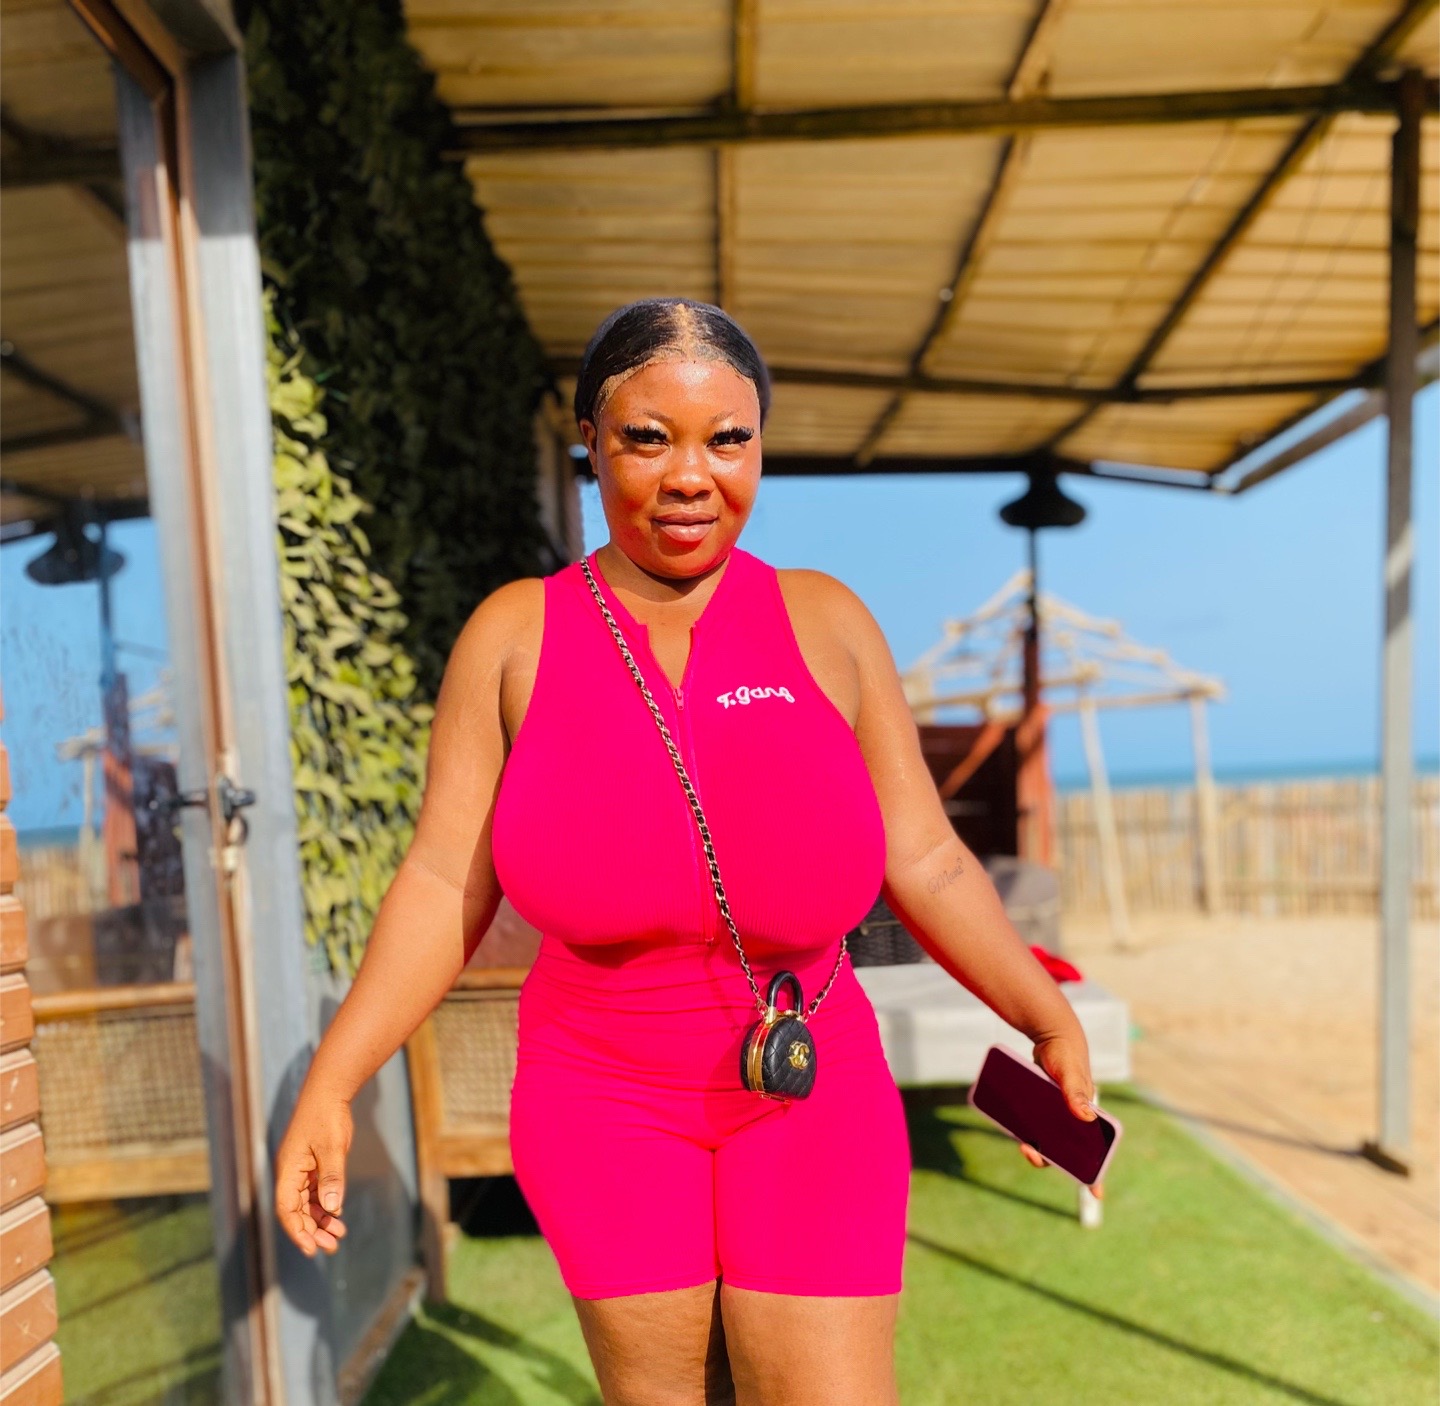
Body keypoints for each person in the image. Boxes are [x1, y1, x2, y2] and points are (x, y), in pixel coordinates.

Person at [274, 297, 1103, 1406]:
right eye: (648, 438)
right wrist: (333, 1081)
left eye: (728, 439)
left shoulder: (826, 623)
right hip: (599, 1095)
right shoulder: (514, 637)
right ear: (590, 439)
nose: (690, 477)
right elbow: (440, 883)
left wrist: (1043, 1017)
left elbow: (929, 856)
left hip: (812, 1080)